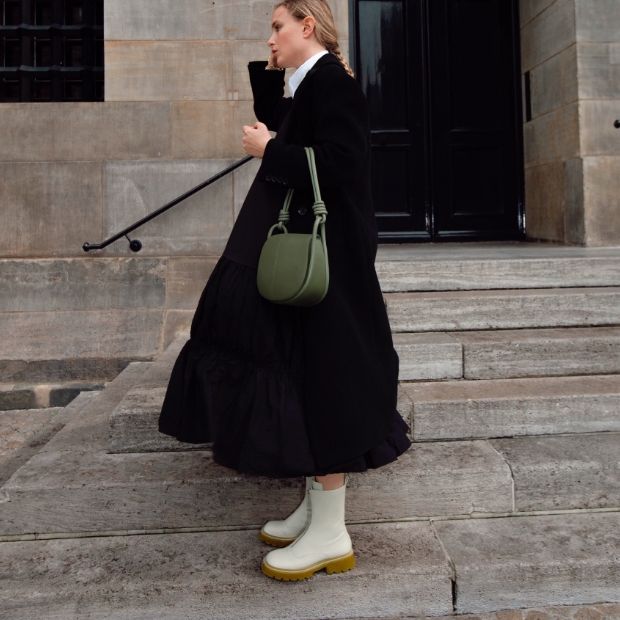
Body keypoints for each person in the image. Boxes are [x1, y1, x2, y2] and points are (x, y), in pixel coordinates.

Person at [158, 0, 411, 581]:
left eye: (277, 27)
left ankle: (331, 531)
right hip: (300, 255)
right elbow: (292, 130)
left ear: (308, 25)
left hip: (327, 265)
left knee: (325, 381)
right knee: (297, 374)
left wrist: (270, 149)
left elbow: (343, 163)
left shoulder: (333, 85)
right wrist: (274, 92)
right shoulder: (308, 85)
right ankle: (315, 511)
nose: (270, 38)